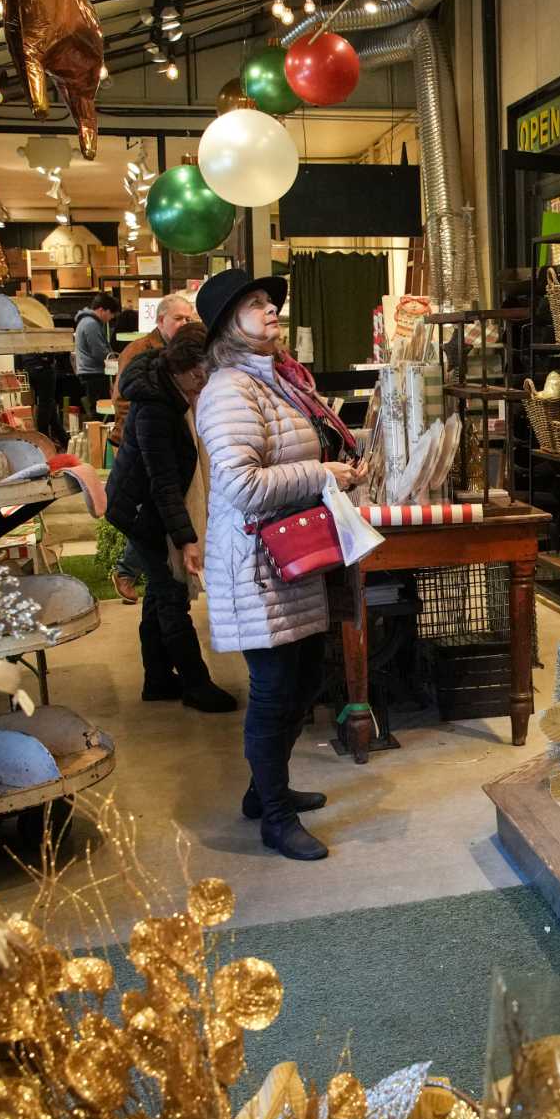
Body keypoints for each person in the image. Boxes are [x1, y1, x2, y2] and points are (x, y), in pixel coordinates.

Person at [196, 268, 358, 862]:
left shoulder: (279, 383)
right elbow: (240, 484)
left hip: (289, 558)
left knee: (305, 679)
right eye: (256, 304)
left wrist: (337, 462)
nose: (272, 311)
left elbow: (287, 455)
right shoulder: (228, 391)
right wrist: (322, 474)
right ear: (227, 325)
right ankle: (275, 818)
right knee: (274, 691)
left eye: (271, 303)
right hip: (255, 566)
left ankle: (263, 790)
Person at [104, 324, 237, 715]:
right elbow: (163, 482)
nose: (203, 380)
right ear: (181, 367)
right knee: (171, 594)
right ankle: (196, 683)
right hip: (141, 510)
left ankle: (158, 679)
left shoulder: (173, 391)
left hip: (148, 504)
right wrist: (187, 538)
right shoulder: (155, 407)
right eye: (198, 372)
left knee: (159, 595)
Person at [110, 291, 197, 604]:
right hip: (140, 445)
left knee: (162, 511)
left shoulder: (183, 352)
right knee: (153, 510)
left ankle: (142, 576)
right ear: (161, 321)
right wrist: (133, 436)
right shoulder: (139, 352)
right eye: (179, 318)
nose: (184, 323)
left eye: (189, 318)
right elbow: (122, 402)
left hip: (163, 442)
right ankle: (126, 571)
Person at [72, 291, 119, 428]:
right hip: (93, 373)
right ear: (101, 310)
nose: (110, 318)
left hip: (91, 372)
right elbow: (99, 352)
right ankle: (99, 442)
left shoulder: (88, 322)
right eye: (110, 314)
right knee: (99, 413)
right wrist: (115, 362)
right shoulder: (91, 324)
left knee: (98, 411)